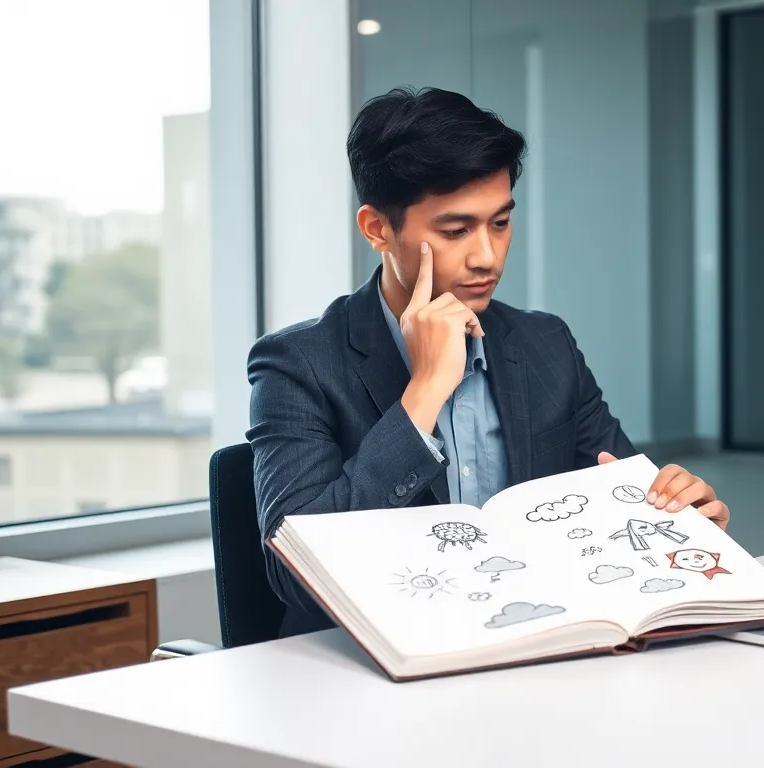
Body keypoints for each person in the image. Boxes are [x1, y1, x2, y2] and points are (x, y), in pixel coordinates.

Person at [247, 86, 729, 638]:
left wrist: (683, 519)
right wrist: (423, 393)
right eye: (455, 231)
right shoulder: (297, 363)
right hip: (373, 663)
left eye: (499, 223)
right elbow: (293, 575)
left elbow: (622, 502)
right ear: (378, 229)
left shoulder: (545, 343)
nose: (487, 256)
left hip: (539, 643)